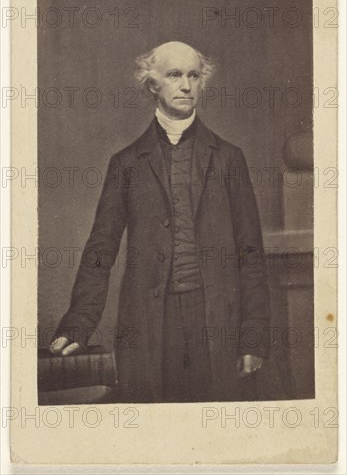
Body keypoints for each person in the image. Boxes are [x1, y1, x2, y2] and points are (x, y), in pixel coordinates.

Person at [50, 41, 270, 402]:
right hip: (149, 324)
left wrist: (254, 337)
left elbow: (251, 253)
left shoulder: (230, 159)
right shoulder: (126, 164)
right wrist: (78, 323)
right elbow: (101, 249)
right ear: (153, 84)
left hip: (216, 322)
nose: (186, 85)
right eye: (174, 75)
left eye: (193, 75)